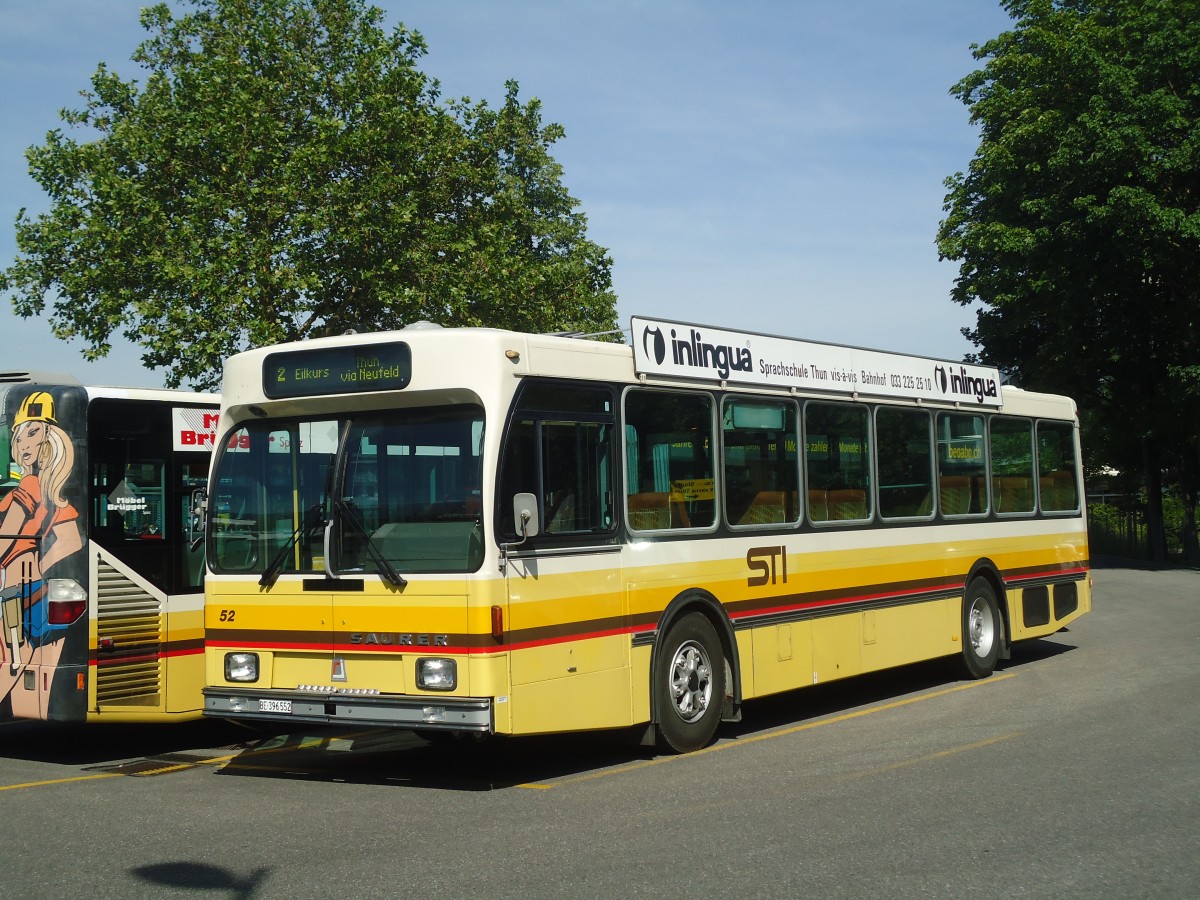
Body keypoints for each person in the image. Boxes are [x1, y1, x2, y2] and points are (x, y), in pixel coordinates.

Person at [0, 392, 82, 712]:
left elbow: (6, 540)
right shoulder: (50, 491)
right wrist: (41, 570)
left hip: (14, 592)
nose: (22, 442)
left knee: (13, 662)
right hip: (34, 591)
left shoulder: (30, 487)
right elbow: (71, 539)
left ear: (50, 437)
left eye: (32, 432)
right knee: (29, 681)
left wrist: (28, 566)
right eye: (19, 435)